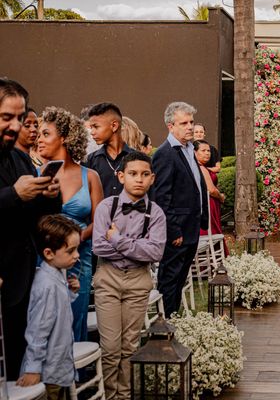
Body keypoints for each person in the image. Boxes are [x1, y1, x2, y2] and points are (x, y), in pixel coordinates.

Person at [92, 151, 167, 400]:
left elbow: (155, 252)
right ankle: (110, 395)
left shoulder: (155, 214)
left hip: (138, 281)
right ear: (121, 176)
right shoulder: (107, 206)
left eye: (145, 175)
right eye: (133, 174)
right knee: (111, 347)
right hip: (108, 279)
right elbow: (98, 247)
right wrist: (135, 247)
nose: (139, 179)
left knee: (129, 345)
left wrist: (118, 239)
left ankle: (124, 395)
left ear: (152, 179)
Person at [0, 78, 61, 380]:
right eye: (6, 117)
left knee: (16, 365)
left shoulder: (20, 158)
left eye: (20, 118)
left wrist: (50, 196)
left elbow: (38, 218)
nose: (15, 126)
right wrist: (13, 195)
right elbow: (14, 199)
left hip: (22, 281)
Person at [38, 106, 103, 342]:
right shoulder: (33, 175)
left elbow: (99, 221)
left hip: (79, 258)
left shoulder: (90, 176)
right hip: (44, 260)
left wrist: (74, 241)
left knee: (76, 318)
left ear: (64, 138)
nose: (39, 140)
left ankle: (76, 374)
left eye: (46, 134)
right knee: (46, 320)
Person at [152, 102, 208, 317]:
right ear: (170, 126)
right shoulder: (165, 154)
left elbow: (195, 187)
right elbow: (161, 198)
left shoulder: (189, 150)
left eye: (191, 122)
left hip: (191, 229)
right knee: (170, 280)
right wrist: (173, 231)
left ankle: (174, 322)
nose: (190, 127)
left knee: (181, 278)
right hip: (177, 233)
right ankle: (164, 328)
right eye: (183, 123)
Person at [16, 215, 81, 399]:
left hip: (59, 366)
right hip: (47, 371)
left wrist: (71, 291)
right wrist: (33, 368)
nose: (77, 255)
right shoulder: (46, 285)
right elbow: (38, 330)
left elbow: (58, 310)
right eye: (71, 251)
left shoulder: (57, 274)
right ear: (48, 253)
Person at [85, 102, 135, 198]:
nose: (92, 132)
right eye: (91, 128)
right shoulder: (90, 161)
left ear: (114, 126)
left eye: (96, 127)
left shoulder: (138, 159)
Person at [194, 140, 229, 256]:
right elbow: (211, 190)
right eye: (203, 150)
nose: (207, 153)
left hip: (210, 204)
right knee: (210, 231)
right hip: (209, 204)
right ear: (195, 152)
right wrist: (221, 196)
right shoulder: (201, 169)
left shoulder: (200, 167)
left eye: (208, 150)